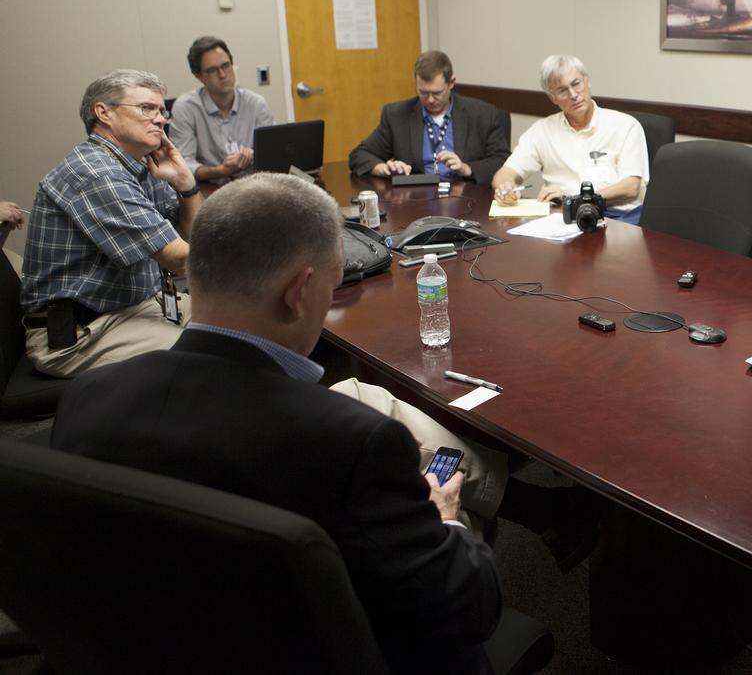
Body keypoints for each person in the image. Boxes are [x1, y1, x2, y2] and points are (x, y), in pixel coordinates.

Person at [50, 173, 500, 673]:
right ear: (301, 292)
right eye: (331, 290)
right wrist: (446, 521)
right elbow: (467, 609)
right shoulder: (351, 442)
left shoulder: (87, 394)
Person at [21, 70, 200, 378]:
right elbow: (180, 259)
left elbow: (192, 238)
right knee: (210, 356)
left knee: (245, 324)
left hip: (134, 308)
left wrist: (186, 184)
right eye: (147, 108)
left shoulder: (144, 164)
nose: (160, 119)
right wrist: (251, 259)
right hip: (79, 333)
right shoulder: (94, 172)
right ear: (103, 112)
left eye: (161, 110)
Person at [492, 55, 648, 224]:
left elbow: (630, 188)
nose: (573, 94)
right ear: (553, 98)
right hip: (562, 219)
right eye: (562, 90)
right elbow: (505, 173)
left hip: (616, 217)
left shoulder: (625, 126)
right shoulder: (542, 130)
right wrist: (505, 188)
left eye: (576, 84)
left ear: (587, 81)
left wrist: (575, 199)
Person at [349, 50, 511, 184]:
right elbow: (359, 155)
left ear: (451, 83)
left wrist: (467, 168)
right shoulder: (397, 116)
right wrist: (382, 168)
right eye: (423, 93)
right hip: (416, 199)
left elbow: (503, 160)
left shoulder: (482, 114)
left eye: (437, 93)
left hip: (468, 195)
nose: (431, 100)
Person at [169, 35, 274, 182]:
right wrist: (219, 171)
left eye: (226, 66)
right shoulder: (186, 107)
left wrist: (253, 155)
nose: (223, 75)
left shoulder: (256, 103)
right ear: (199, 76)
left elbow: (273, 152)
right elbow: (182, 164)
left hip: (254, 185)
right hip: (211, 189)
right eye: (213, 70)